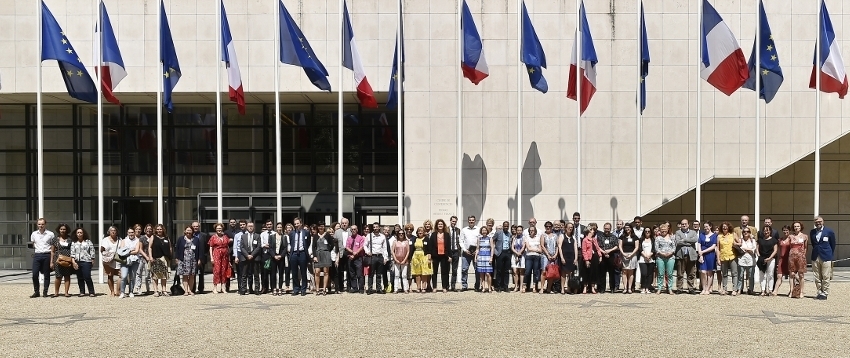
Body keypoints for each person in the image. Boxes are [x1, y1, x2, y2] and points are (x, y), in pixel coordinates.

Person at [810, 216, 836, 300]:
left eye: (819, 221)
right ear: (814, 222)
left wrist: (829, 254)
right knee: (817, 276)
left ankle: (825, 293)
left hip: (826, 256)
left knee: (825, 275)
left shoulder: (829, 231)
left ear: (823, 221)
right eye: (816, 222)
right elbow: (814, 244)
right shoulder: (812, 232)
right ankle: (819, 292)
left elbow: (833, 244)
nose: (818, 223)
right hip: (815, 256)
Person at [30, 218, 55, 298]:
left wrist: (51, 260)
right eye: (39, 224)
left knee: (46, 275)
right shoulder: (34, 234)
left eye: (42, 224)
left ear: (45, 224)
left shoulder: (50, 234)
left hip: (46, 255)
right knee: (34, 274)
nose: (41, 226)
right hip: (37, 255)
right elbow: (33, 244)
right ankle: (36, 291)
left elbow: (53, 247)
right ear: (37, 224)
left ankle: (45, 292)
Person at [49, 223, 76, 297]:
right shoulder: (55, 239)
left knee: (67, 276)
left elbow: (73, 249)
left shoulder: (70, 239)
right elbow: (52, 251)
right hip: (58, 260)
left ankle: (66, 292)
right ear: (58, 230)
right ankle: (56, 292)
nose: (62, 230)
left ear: (66, 230)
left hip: (68, 259)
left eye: (64, 229)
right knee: (58, 276)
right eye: (61, 229)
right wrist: (51, 262)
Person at [673, 219, 698, 294]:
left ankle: (691, 288)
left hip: (691, 255)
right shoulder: (678, 232)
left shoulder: (693, 232)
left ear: (688, 224)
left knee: (691, 273)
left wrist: (684, 240)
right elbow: (678, 242)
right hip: (681, 255)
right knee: (680, 273)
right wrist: (689, 242)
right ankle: (679, 288)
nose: (684, 225)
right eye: (682, 224)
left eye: (685, 224)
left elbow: (695, 240)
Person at [427, 219, 452, 293]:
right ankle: (434, 287)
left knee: (444, 272)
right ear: (436, 226)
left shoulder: (447, 235)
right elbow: (430, 246)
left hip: (444, 255)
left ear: (443, 225)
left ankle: (444, 287)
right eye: (439, 224)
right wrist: (430, 256)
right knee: (434, 272)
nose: (440, 225)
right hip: (435, 255)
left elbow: (448, 246)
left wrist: (450, 256)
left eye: (441, 224)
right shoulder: (433, 234)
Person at [176, 226, 201, 296]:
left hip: (193, 260)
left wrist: (199, 259)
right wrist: (177, 258)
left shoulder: (196, 239)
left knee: (192, 275)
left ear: (192, 232)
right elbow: (177, 249)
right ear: (184, 231)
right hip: (183, 260)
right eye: (187, 230)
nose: (188, 232)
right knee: (185, 275)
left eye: (190, 230)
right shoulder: (181, 239)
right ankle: (186, 291)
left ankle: (190, 290)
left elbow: (199, 250)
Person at [149, 224, 173, 297]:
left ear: (163, 230)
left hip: (165, 258)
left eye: (160, 229)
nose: (159, 230)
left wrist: (170, 256)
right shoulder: (153, 237)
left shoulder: (166, 237)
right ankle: (156, 291)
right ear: (155, 230)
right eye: (158, 229)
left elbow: (170, 247)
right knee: (155, 275)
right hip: (156, 258)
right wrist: (150, 257)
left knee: (164, 275)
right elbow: (150, 247)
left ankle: (164, 290)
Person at [288, 218, 310, 296]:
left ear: (301, 223)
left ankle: (303, 289)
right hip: (294, 254)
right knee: (294, 273)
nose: (296, 225)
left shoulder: (306, 232)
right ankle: (296, 289)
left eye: (298, 223)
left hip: (302, 253)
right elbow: (291, 242)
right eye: (295, 224)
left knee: (303, 272)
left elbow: (308, 242)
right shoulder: (291, 233)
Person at [71, 227, 96, 297]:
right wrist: (73, 262)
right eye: (78, 233)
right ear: (76, 234)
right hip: (77, 261)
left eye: (80, 232)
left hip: (86, 261)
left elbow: (92, 251)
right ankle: (82, 291)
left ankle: (91, 291)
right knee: (79, 277)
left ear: (83, 233)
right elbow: (72, 253)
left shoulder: (88, 242)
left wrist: (92, 260)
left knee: (87, 276)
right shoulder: (74, 243)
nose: (79, 234)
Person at [208, 223, 232, 294]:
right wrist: (211, 258)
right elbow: (211, 247)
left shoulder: (225, 237)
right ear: (215, 229)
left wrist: (229, 259)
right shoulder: (213, 237)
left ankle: (223, 287)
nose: (219, 230)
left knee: (224, 271)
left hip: (225, 256)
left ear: (222, 229)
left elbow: (227, 247)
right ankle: (215, 288)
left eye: (220, 228)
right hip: (216, 254)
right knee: (217, 271)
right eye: (218, 228)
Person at [117, 228, 142, 298]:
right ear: (127, 233)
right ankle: (122, 292)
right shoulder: (124, 241)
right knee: (124, 276)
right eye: (129, 232)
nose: (131, 234)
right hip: (125, 261)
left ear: (134, 233)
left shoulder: (137, 241)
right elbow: (121, 251)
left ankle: (131, 291)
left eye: (132, 232)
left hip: (135, 261)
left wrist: (127, 250)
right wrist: (131, 250)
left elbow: (137, 251)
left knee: (132, 277)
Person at [596, 223, 620, 293]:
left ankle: (612, 288)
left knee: (612, 273)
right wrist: (604, 252)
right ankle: (602, 288)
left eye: (608, 229)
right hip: (602, 256)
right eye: (606, 228)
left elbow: (616, 246)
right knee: (602, 273)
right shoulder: (600, 236)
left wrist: (609, 250)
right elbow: (598, 246)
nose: (607, 230)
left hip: (611, 256)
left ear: (610, 229)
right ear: (604, 228)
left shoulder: (614, 236)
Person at [716, 222, 738, 295]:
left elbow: (740, 243)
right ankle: (724, 289)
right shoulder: (719, 236)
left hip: (732, 256)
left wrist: (736, 244)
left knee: (734, 273)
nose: (724, 228)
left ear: (729, 227)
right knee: (724, 274)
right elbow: (718, 248)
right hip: (723, 257)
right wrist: (718, 259)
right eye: (723, 227)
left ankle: (734, 289)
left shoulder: (733, 235)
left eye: (726, 227)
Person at [756, 225, 778, 296]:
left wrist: (769, 258)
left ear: (770, 231)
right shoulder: (760, 240)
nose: (766, 232)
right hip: (762, 259)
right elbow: (757, 248)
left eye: (767, 230)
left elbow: (775, 250)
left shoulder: (774, 240)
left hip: (771, 259)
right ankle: (763, 290)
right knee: (762, 274)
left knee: (770, 275)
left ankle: (770, 290)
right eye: (765, 230)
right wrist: (759, 256)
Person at [312, 224, 334, 295]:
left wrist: (328, 251)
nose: (320, 228)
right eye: (319, 226)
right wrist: (314, 256)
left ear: (324, 227)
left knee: (326, 272)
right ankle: (317, 289)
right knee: (317, 271)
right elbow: (313, 247)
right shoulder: (315, 236)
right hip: (318, 254)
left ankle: (324, 288)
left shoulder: (327, 235)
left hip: (326, 254)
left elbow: (332, 244)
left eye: (322, 226)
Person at [460, 215, 480, 292]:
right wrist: (465, 250)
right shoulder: (464, 230)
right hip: (466, 253)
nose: (471, 221)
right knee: (464, 269)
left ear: (475, 221)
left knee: (477, 270)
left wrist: (477, 250)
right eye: (470, 220)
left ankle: (477, 286)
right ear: (468, 221)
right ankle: (464, 286)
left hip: (476, 253)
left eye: (472, 220)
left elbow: (480, 240)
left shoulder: (478, 229)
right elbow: (461, 241)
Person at [654, 223, 676, 295]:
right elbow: (656, 248)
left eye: (665, 229)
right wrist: (662, 254)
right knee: (660, 273)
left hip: (670, 257)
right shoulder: (658, 238)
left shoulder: (672, 237)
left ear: (668, 229)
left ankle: (669, 288)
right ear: (660, 230)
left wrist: (670, 253)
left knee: (669, 274)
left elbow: (674, 247)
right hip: (660, 257)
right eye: (662, 229)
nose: (663, 231)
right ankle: (659, 288)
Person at [580, 227, 603, 294]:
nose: (593, 231)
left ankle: (592, 287)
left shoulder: (594, 239)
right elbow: (584, 250)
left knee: (594, 272)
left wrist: (600, 255)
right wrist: (586, 260)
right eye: (592, 230)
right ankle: (585, 287)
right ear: (588, 232)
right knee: (586, 272)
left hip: (594, 257)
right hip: (587, 258)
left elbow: (597, 248)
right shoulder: (585, 240)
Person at [100, 226, 121, 297]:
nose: (113, 232)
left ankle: (118, 291)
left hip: (118, 260)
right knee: (110, 276)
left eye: (114, 230)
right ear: (109, 232)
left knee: (121, 275)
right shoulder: (105, 240)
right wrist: (108, 255)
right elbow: (101, 250)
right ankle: (112, 291)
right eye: (111, 230)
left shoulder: (120, 240)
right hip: (108, 260)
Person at [788, 221, 808, 299]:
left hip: (801, 256)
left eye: (798, 226)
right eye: (795, 226)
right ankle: (791, 290)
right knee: (792, 274)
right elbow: (789, 246)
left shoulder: (805, 236)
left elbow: (805, 247)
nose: (796, 228)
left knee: (801, 274)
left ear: (800, 227)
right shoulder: (790, 236)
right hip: (792, 256)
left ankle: (801, 291)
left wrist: (803, 255)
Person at [492, 221, 513, 292]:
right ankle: (498, 286)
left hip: (507, 253)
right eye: (505, 226)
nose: (506, 227)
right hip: (500, 253)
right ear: (503, 226)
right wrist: (495, 251)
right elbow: (492, 240)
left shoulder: (509, 234)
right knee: (499, 270)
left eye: (507, 226)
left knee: (506, 271)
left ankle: (505, 286)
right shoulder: (498, 233)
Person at [697, 222, 718, 295]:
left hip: (710, 255)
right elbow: (699, 244)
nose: (706, 228)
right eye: (704, 227)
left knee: (709, 272)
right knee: (703, 272)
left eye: (707, 226)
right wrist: (700, 254)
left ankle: (708, 289)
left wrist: (703, 252)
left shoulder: (714, 235)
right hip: (702, 255)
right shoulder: (701, 235)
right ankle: (704, 288)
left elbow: (713, 246)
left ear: (710, 226)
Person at [558, 223, 578, 294]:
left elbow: (575, 248)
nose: (570, 228)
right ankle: (562, 288)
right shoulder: (562, 236)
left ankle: (569, 288)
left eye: (571, 227)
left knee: (570, 274)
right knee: (563, 274)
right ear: (565, 228)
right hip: (564, 257)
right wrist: (562, 257)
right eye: (569, 227)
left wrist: (576, 258)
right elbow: (559, 247)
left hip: (571, 257)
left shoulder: (573, 237)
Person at [618, 224, 639, 294]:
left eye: (628, 228)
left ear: (631, 228)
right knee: (624, 272)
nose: (627, 229)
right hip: (624, 254)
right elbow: (620, 246)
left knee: (631, 272)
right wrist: (623, 253)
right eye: (626, 228)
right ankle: (625, 288)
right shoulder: (622, 236)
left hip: (632, 255)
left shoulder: (635, 237)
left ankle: (629, 288)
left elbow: (637, 247)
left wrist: (632, 254)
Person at [134, 224, 154, 296]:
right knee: (139, 273)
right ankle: (138, 288)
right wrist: (146, 256)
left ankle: (148, 289)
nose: (149, 230)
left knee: (148, 274)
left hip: (150, 258)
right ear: (145, 230)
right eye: (147, 229)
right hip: (142, 258)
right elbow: (140, 249)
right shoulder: (142, 238)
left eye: (150, 229)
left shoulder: (153, 237)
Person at [736, 228, 757, 295]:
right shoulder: (740, 240)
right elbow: (737, 247)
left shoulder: (752, 240)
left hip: (751, 260)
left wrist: (745, 249)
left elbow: (753, 250)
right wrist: (748, 249)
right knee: (740, 276)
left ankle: (750, 289)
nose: (746, 233)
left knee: (751, 276)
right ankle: (739, 289)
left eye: (747, 231)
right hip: (741, 260)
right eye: (744, 231)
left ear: (750, 232)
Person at [345, 225, 366, 293]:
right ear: (350, 230)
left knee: (359, 274)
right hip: (350, 258)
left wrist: (355, 253)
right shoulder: (349, 238)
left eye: (354, 229)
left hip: (358, 258)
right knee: (352, 274)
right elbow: (347, 247)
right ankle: (354, 288)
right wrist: (352, 252)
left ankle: (361, 288)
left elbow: (361, 247)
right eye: (352, 229)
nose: (353, 231)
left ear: (357, 230)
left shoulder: (360, 238)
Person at [191, 221, 210, 294]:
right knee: (193, 274)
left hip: (202, 257)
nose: (195, 228)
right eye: (194, 226)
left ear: (199, 227)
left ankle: (201, 288)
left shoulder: (204, 235)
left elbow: (207, 246)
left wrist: (204, 255)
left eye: (197, 226)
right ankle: (192, 289)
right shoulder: (190, 234)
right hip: (192, 257)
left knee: (201, 274)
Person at [410, 227, 431, 293]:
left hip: (424, 256)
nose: (420, 232)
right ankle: (418, 287)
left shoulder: (427, 239)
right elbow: (412, 248)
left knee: (424, 273)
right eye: (419, 231)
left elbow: (429, 249)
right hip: (416, 256)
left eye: (421, 231)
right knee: (417, 273)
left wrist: (429, 257)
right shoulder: (415, 239)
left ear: (424, 232)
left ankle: (424, 287)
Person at [540, 222, 559, 293]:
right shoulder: (543, 235)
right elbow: (542, 245)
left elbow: (557, 246)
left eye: (550, 226)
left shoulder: (555, 235)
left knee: (551, 272)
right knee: (544, 271)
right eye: (547, 226)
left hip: (553, 256)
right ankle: (542, 287)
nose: (548, 227)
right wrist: (547, 255)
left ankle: (549, 288)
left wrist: (555, 255)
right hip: (545, 255)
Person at [333, 218, 351, 293]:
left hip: (349, 253)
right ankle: (341, 287)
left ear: (348, 223)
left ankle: (349, 287)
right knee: (340, 271)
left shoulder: (351, 231)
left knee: (349, 270)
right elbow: (335, 244)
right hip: (340, 253)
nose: (344, 224)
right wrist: (336, 255)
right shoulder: (337, 232)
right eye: (342, 223)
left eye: (345, 223)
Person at [773, 225, 791, 296]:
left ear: (789, 231)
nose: (785, 231)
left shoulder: (791, 239)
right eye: (784, 230)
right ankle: (775, 290)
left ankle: (792, 290)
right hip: (782, 259)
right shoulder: (780, 240)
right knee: (779, 276)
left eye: (787, 230)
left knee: (792, 276)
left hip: (790, 259)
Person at [271, 223, 289, 296]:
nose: (279, 228)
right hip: (273, 257)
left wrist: (281, 256)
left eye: (280, 227)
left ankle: (280, 288)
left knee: (281, 273)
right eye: (278, 227)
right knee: (273, 274)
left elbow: (285, 248)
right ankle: (274, 288)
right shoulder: (271, 237)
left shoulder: (284, 237)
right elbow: (270, 248)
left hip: (281, 258)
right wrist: (274, 255)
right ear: (276, 228)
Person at [475, 227, 494, 293]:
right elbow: (477, 248)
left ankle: (489, 288)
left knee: (488, 273)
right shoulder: (479, 238)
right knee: (481, 273)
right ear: (481, 231)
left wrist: (491, 257)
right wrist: (476, 257)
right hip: (481, 257)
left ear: (487, 231)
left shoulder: (490, 238)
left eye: (485, 230)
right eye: (482, 230)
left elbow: (492, 248)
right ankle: (483, 287)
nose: (484, 231)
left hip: (488, 257)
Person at [637, 227, 655, 294]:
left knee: (649, 274)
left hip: (651, 259)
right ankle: (643, 287)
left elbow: (654, 249)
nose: (647, 232)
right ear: (644, 232)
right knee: (644, 273)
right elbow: (640, 248)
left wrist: (650, 255)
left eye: (649, 231)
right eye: (646, 231)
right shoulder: (641, 239)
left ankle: (647, 288)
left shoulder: (653, 239)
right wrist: (645, 255)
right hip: (642, 259)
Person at [447, 216, 462, 291]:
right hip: (448, 251)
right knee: (446, 269)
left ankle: (453, 286)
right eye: (453, 221)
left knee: (454, 270)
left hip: (456, 251)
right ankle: (446, 286)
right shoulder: (446, 229)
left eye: (455, 221)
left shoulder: (458, 230)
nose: (454, 222)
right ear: (450, 221)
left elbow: (460, 240)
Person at [511, 225, 525, 292]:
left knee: (521, 272)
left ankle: (521, 286)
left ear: (522, 231)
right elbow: (512, 247)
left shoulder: (524, 238)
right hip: (514, 255)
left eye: (520, 230)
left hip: (522, 255)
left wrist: (519, 253)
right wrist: (516, 253)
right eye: (518, 230)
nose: (519, 231)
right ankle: (516, 286)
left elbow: (524, 246)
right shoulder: (514, 238)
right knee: (515, 271)